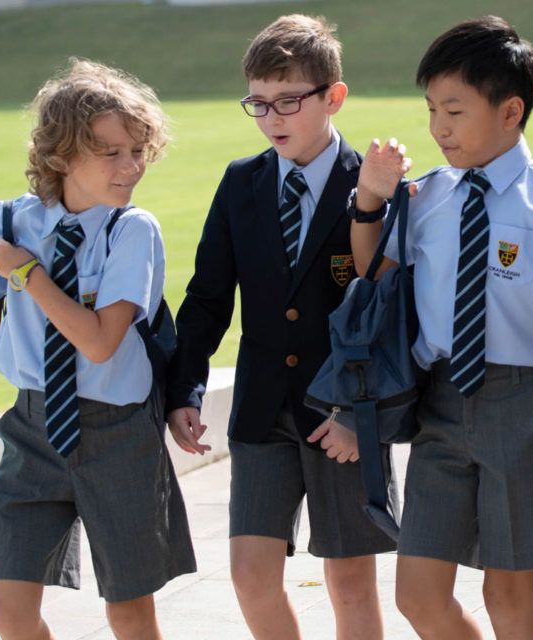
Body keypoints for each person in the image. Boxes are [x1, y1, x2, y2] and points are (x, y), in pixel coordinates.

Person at [350, 16, 533, 639]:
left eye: (455, 111)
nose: (438, 127)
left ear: (511, 111)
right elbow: (371, 271)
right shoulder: (426, 197)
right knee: (417, 594)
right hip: (439, 404)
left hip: (523, 406)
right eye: (431, 110)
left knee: (507, 595)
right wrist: (370, 201)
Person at [164, 14, 397, 640]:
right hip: (262, 411)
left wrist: (362, 412)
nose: (272, 119)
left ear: (334, 96)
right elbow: (208, 297)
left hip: (344, 415)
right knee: (250, 575)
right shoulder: (241, 182)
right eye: (258, 104)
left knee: (351, 585)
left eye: (288, 101)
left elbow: (391, 311)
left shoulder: (373, 184)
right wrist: (185, 389)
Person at [0, 58, 196, 640]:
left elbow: (99, 341)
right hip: (32, 429)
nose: (131, 166)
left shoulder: (132, 230)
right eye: (110, 153)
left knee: (129, 613)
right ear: (61, 155)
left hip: (119, 436)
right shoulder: (8, 221)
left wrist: (29, 274)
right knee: (9, 611)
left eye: (137, 150)